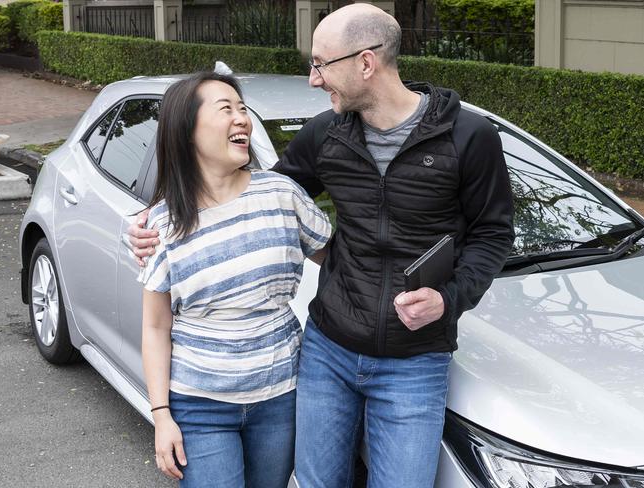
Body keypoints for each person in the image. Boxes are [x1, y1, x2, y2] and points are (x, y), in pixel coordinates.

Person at [131, 4, 515, 487]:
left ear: (365, 63)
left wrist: (448, 298)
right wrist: (153, 219)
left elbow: (493, 234)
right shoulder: (325, 135)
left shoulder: (468, 137)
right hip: (326, 352)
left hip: (415, 360)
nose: (313, 79)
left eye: (320, 64)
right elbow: (253, 200)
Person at [138, 71, 331, 487]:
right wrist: (160, 415)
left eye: (243, 109)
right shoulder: (162, 224)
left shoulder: (282, 194)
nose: (241, 118)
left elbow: (341, 259)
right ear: (187, 130)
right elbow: (155, 326)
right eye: (226, 109)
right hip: (199, 405)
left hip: (281, 395)